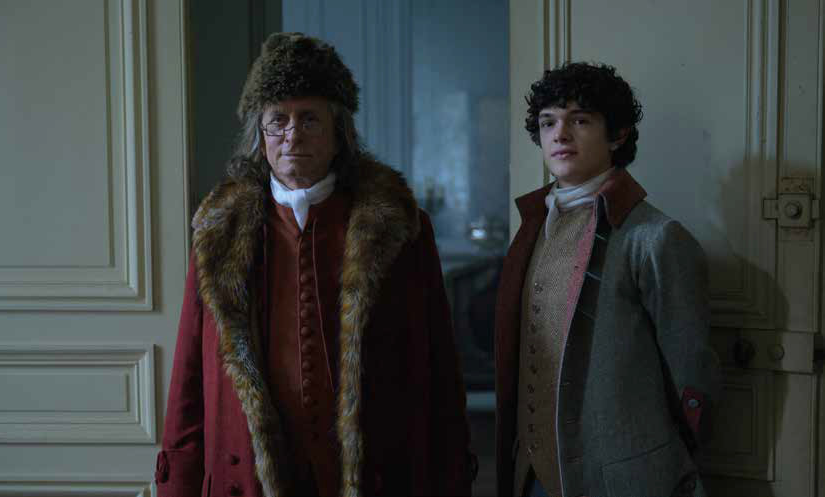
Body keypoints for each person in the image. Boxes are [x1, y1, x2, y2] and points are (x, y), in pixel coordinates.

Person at [155, 32, 473, 497]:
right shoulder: (220, 230)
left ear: (339, 133)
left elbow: (439, 363)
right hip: (247, 478)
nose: (292, 135)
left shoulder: (397, 227)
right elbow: (189, 374)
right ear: (260, 136)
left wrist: (451, 474)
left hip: (374, 474)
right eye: (277, 120)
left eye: (309, 119)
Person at [494, 62, 720, 497]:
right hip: (532, 474)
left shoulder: (655, 238)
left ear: (617, 135)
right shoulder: (531, 228)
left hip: (623, 480)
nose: (560, 134)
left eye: (579, 120)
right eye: (548, 122)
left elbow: (693, 376)